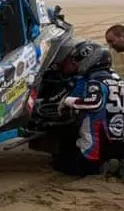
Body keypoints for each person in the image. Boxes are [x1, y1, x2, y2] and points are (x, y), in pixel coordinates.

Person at [53, 39, 124, 178]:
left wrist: (68, 101)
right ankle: (114, 163)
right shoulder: (118, 80)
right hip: (117, 135)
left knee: (64, 166)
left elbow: (94, 102)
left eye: (78, 60)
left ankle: (104, 167)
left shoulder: (95, 81)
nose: (77, 64)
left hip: (96, 142)